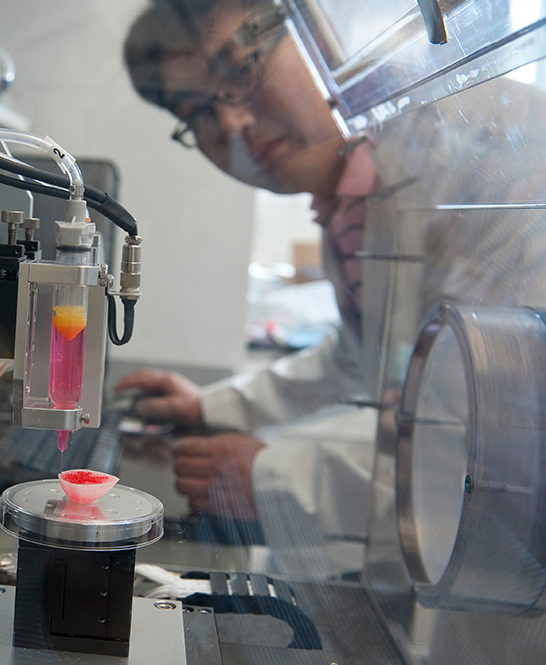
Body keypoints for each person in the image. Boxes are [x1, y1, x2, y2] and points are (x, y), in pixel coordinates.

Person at [118, 0, 546, 576]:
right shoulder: (354, 197)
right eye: (198, 113)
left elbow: (509, 431)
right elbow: (362, 354)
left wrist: (278, 476)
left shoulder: (499, 160)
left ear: (320, 32)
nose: (233, 125)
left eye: (241, 72)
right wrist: (212, 406)